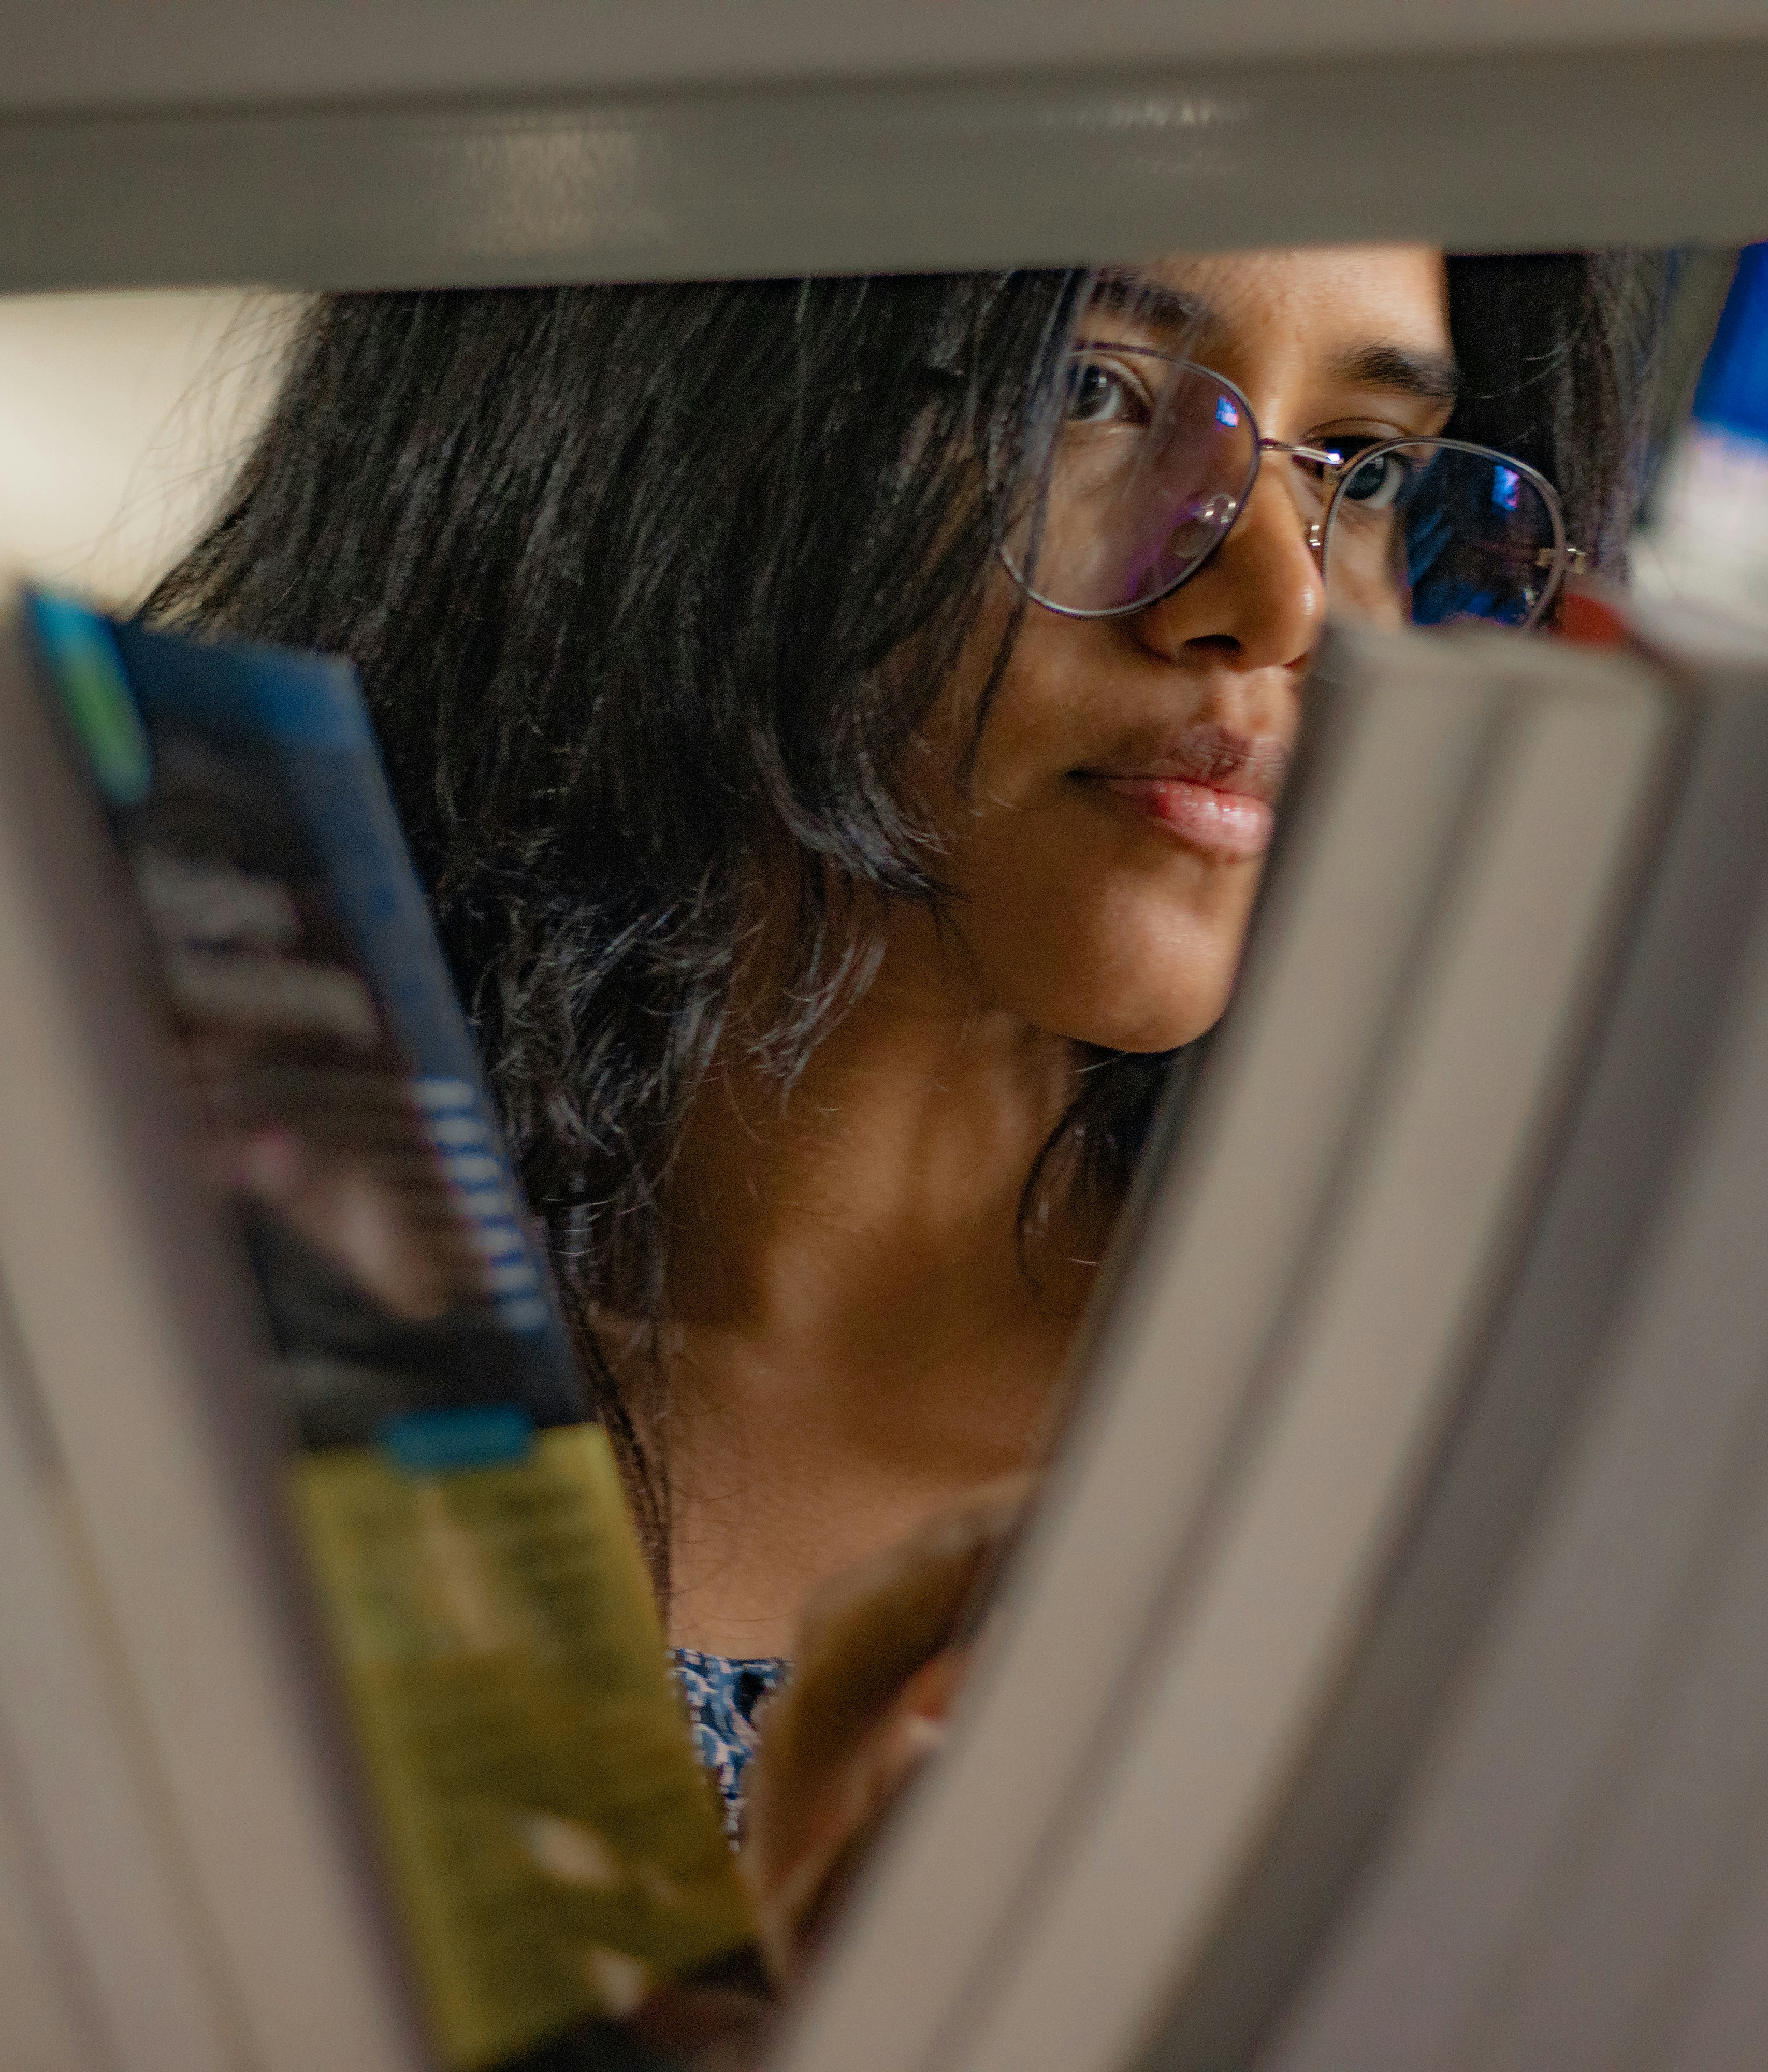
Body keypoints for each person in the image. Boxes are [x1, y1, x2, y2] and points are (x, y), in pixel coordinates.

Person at [148, 247, 1645, 1906]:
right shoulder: (135, 1296)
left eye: (1365, 472)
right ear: (646, 417)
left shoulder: (1456, 1473)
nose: (1279, 605)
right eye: (1089, 395)